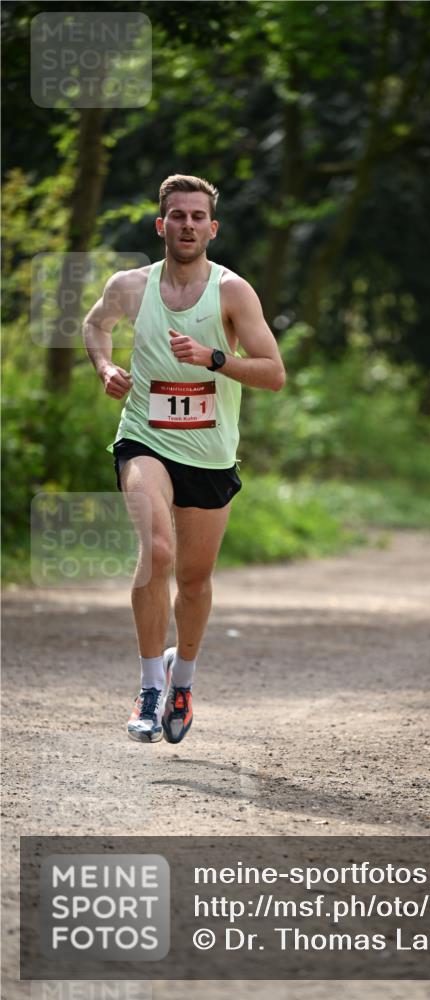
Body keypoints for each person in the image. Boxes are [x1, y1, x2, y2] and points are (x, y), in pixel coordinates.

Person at [83, 174, 286, 743]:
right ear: (161, 225)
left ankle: (183, 681)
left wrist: (214, 358)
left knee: (194, 581)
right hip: (145, 437)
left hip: (210, 453)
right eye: (178, 215)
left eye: (198, 217)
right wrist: (105, 367)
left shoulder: (233, 293)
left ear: (212, 229)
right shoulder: (130, 286)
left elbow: (274, 373)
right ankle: (150, 688)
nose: (188, 225)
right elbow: (95, 325)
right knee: (158, 551)